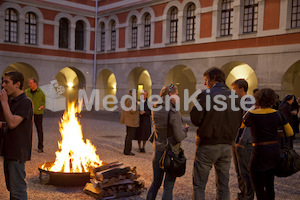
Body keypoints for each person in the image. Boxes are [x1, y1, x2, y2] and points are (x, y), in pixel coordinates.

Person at [190, 67, 243, 200]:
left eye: (206, 80)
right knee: (223, 184)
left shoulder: (206, 95)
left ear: (213, 79)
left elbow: (196, 119)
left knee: (199, 185)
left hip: (208, 144)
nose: (205, 83)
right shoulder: (236, 97)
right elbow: (239, 119)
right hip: (226, 145)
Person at [243, 88, 294, 200]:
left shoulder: (251, 114)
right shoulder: (278, 114)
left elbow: (243, 123)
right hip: (273, 150)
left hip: (259, 151)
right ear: (273, 100)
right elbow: (290, 132)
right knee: (270, 183)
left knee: (258, 184)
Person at [146, 84, 188, 200]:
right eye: (177, 94)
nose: (178, 97)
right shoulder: (173, 111)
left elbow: (162, 127)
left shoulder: (155, 107)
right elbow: (179, 136)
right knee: (168, 186)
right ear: (170, 95)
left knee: (155, 183)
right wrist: (184, 131)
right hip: (171, 152)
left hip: (158, 150)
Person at [0, 71, 33, 200]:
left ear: (18, 84)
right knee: (11, 188)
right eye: (2, 81)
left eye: (7, 82)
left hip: (17, 152)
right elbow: (7, 123)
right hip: (7, 150)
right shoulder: (10, 100)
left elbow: (13, 122)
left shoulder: (25, 102)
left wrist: (4, 103)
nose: (3, 85)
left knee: (18, 191)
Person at [231, 79, 254, 200]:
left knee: (245, 171)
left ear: (241, 88)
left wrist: (242, 140)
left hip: (243, 142)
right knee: (239, 170)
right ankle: (242, 193)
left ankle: (248, 196)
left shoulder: (248, 100)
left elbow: (248, 123)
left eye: (235, 88)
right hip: (237, 140)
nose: (233, 91)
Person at [25, 77, 45, 153]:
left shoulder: (41, 92)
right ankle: (26, 147)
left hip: (38, 114)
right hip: (29, 114)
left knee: (39, 130)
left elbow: (46, 101)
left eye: (30, 83)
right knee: (27, 131)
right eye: (29, 83)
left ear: (35, 83)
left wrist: (43, 106)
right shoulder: (26, 92)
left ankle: (40, 147)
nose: (29, 84)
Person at [120, 89, 140, 156]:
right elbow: (132, 110)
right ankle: (127, 151)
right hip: (132, 120)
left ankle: (126, 150)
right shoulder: (131, 100)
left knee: (128, 136)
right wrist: (138, 105)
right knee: (130, 137)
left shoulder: (127, 99)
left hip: (128, 120)